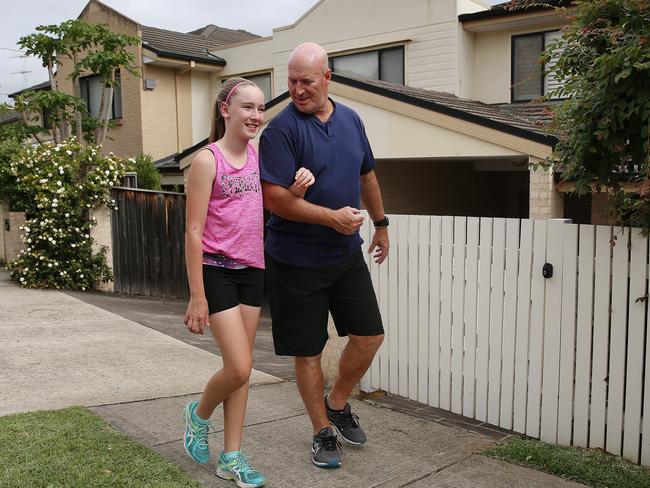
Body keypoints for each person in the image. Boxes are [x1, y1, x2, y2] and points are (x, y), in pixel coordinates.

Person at [259, 42, 389, 469]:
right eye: (292, 82)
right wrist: (331, 218)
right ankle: (321, 432)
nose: (297, 90)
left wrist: (382, 223)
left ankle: (337, 402)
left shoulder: (351, 120)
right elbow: (276, 199)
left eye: (306, 81)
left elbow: (366, 175)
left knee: (370, 336)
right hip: (295, 259)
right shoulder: (280, 131)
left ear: (327, 78)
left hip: (345, 254)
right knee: (309, 350)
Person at [182, 77, 314, 487]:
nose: (256, 115)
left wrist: (294, 190)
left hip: (253, 270)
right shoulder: (207, 161)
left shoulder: (259, 159)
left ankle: (232, 457)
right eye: (247, 107)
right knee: (239, 366)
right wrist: (197, 296)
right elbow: (192, 231)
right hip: (217, 269)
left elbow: (269, 206)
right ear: (226, 110)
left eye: (260, 108)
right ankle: (198, 415)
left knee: (241, 372)